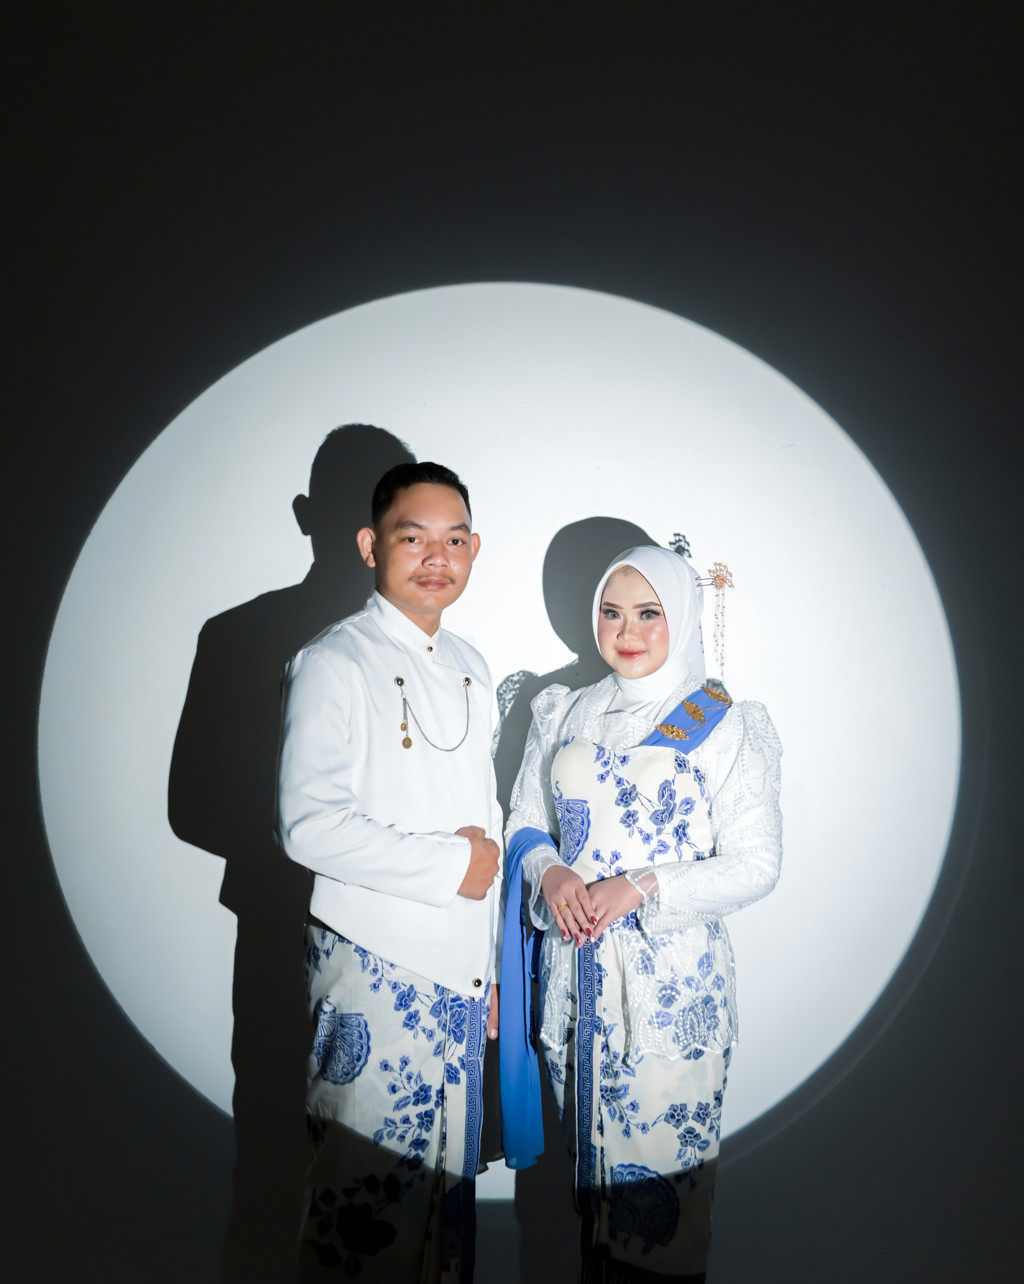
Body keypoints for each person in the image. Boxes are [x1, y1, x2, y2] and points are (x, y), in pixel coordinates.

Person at [502, 545, 782, 1281]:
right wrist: (550, 870)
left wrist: (642, 884)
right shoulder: (564, 710)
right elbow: (525, 822)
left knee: (661, 1226)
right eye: (612, 612)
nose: (627, 632)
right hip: (574, 988)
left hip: (670, 1001)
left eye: (648, 613)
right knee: (588, 1208)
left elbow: (757, 864)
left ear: (680, 615)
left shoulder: (722, 724)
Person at [275, 461, 503, 1282]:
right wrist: (453, 865)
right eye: (414, 538)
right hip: (371, 968)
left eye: (455, 541)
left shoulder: (472, 662)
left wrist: (490, 971)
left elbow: (487, 825)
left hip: (460, 978)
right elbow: (306, 825)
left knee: (445, 1215)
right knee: (363, 1212)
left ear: (474, 550)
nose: (437, 558)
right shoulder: (333, 660)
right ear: (371, 546)